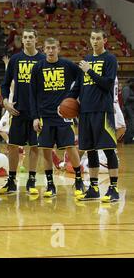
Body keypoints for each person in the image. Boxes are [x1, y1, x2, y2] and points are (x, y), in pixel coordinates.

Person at [67, 29, 121, 202]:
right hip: (85, 112)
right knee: (90, 151)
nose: (95, 41)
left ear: (105, 40)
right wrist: (65, 102)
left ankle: (113, 189)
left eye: (98, 38)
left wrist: (90, 71)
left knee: (108, 149)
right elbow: (78, 87)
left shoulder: (110, 59)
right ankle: (94, 188)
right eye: (93, 38)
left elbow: (107, 83)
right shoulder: (86, 60)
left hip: (103, 111)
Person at [30, 37, 85, 197]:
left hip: (64, 116)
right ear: (44, 49)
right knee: (46, 151)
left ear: (58, 49)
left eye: (54, 47)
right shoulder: (38, 67)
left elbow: (81, 79)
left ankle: (79, 180)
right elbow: (32, 94)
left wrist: (75, 99)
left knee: (71, 147)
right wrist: (35, 117)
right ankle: (50, 185)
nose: (51, 50)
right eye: (48, 48)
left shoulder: (67, 65)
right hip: (45, 116)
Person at [0, 28, 45, 195]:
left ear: (36, 39)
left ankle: (31, 181)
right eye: (25, 37)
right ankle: (11, 180)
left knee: (34, 147)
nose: (27, 40)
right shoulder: (15, 59)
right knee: (12, 145)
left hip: (37, 112)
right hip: (18, 110)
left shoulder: (43, 59)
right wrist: (5, 101)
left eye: (30, 37)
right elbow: (5, 84)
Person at [122, 79, 134, 144]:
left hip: (130, 109)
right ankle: (127, 140)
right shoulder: (126, 88)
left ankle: (129, 139)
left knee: (130, 124)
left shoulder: (129, 88)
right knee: (131, 124)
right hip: (128, 109)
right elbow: (126, 99)